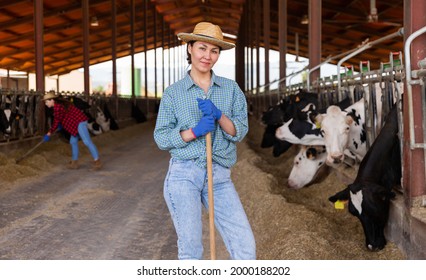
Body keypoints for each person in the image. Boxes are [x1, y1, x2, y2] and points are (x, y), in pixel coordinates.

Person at [153, 22, 256, 260]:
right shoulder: (174, 92)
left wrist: (220, 116)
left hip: (219, 176)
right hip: (183, 175)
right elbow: (160, 137)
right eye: (202, 48)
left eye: (214, 51)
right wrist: (194, 131)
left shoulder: (230, 89)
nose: (207, 56)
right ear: (189, 48)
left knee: (245, 248)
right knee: (191, 251)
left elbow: (239, 130)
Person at [43, 93, 102, 170]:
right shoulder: (59, 105)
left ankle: (97, 161)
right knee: (73, 142)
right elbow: (63, 116)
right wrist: (61, 123)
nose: (46, 104)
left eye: (47, 102)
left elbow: (56, 122)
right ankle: (74, 162)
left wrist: (49, 133)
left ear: (52, 100)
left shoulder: (57, 107)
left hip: (79, 122)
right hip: (74, 124)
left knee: (87, 141)